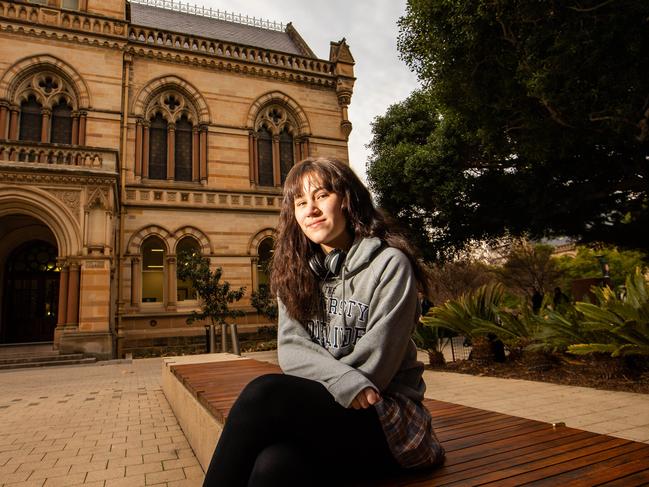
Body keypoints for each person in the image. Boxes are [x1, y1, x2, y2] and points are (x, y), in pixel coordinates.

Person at [202, 157, 445, 487]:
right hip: (334, 414)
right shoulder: (296, 273)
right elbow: (291, 349)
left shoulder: (390, 265)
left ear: (346, 199)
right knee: (273, 466)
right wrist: (338, 377)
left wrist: (324, 372)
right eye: (300, 203)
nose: (310, 210)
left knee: (264, 393)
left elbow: (374, 369)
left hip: (389, 421)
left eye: (321, 196)